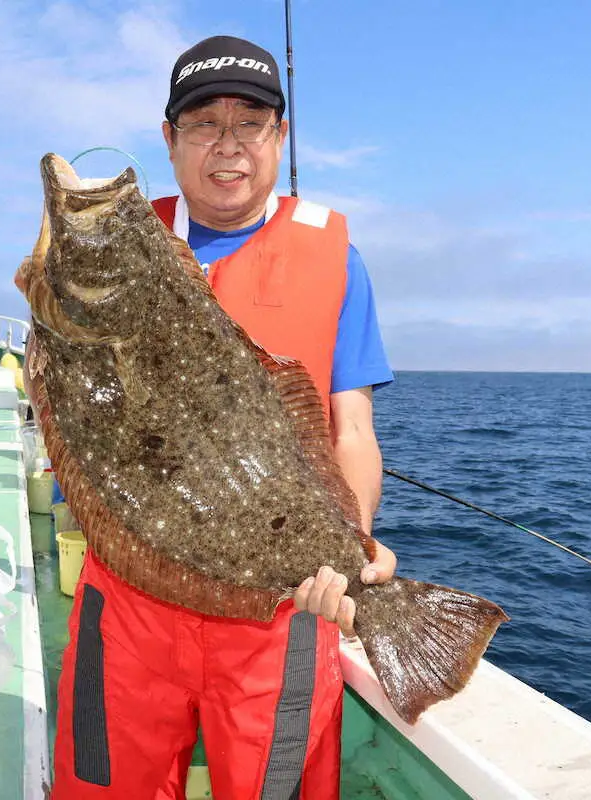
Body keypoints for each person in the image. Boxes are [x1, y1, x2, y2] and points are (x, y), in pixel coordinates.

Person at [51, 35, 396, 800]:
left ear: (280, 139)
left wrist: (357, 547)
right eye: (204, 124)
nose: (228, 146)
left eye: (251, 123)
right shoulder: (123, 237)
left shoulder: (337, 258)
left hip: (277, 612)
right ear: (170, 141)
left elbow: (352, 429)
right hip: (130, 601)